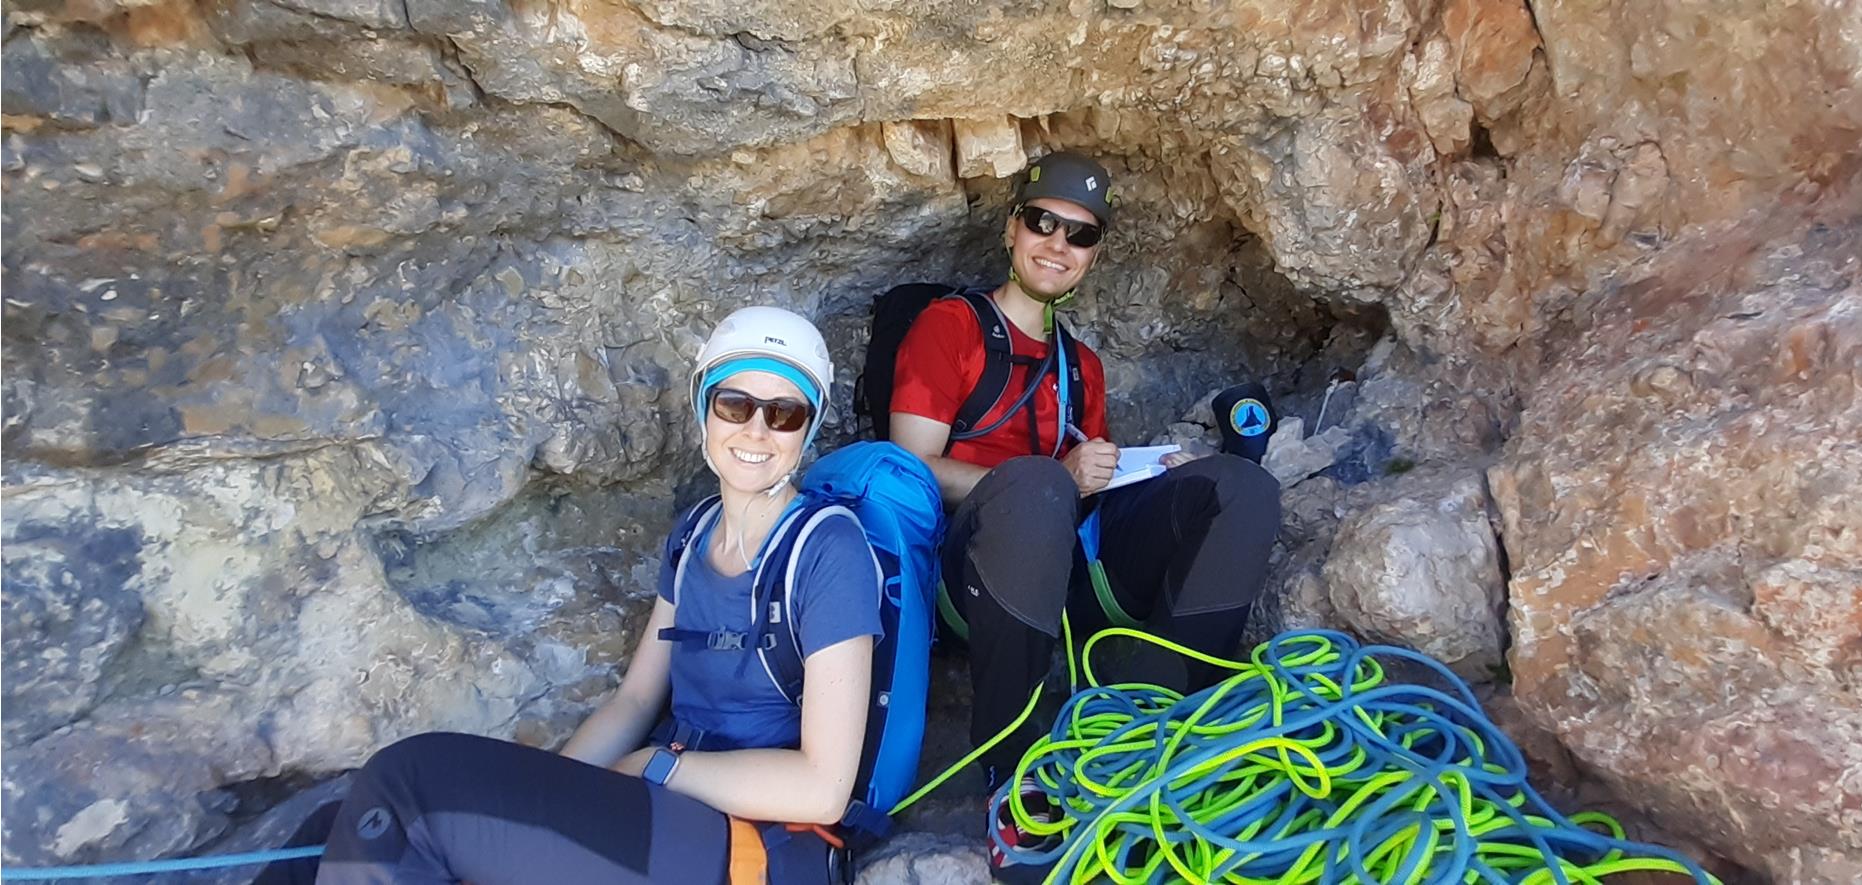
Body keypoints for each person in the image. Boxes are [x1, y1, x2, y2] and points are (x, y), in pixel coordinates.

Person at [261, 307, 880, 885]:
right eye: (735, 404)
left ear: (808, 429)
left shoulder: (830, 548)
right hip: (666, 804)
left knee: (407, 782)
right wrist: (548, 795)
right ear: (704, 409)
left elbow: (822, 789)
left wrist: (657, 766)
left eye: (784, 414)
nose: (756, 430)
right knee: (333, 829)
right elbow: (635, 698)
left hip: (758, 839)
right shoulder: (695, 534)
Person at [886, 151, 1284, 875]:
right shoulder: (952, 328)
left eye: (1080, 234)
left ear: (1093, 253)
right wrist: (1056, 480)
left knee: (1238, 488)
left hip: (1068, 568)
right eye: (1043, 223)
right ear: (1012, 229)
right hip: (969, 577)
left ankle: (1157, 734)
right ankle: (1014, 776)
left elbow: (1086, 493)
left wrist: (1155, 478)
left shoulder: (1082, 366)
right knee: (1037, 485)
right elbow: (909, 466)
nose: (1058, 244)